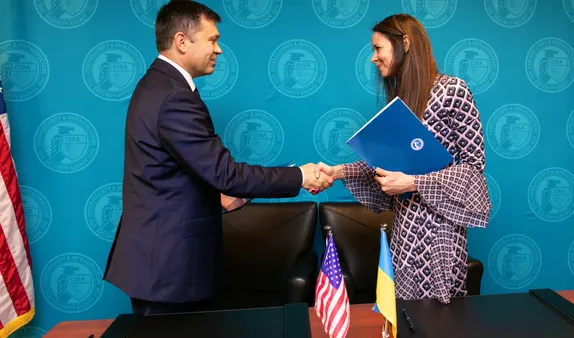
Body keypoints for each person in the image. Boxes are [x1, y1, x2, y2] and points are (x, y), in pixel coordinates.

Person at [102, 1, 333, 315]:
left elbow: (174, 172)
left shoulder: (157, 85)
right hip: (168, 268)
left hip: (158, 260)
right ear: (181, 41)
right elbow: (227, 174)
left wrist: (219, 196)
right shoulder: (174, 97)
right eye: (212, 39)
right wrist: (302, 176)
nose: (219, 49)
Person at [315, 14, 491, 304]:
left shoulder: (453, 91)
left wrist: (412, 182)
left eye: (377, 48)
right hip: (404, 229)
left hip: (441, 232)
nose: (373, 58)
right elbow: (385, 161)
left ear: (405, 43)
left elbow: (473, 169)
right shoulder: (402, 98)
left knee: (439, 320)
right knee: (402, 314)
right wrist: (338, 171)